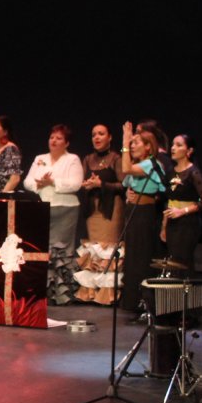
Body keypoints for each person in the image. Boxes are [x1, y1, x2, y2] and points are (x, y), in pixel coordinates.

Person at [23, 124, 84, 305]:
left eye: (58, 138)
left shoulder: (72, 159)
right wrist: (38, 184)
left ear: (66, 143)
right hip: (43, 206)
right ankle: (44, 291)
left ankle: (62, 294)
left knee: (61, 251)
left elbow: (76, 183)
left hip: (65, 209)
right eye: (52, 137)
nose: (54, 141)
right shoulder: (40, 158)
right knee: (42, 249)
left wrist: (53, 181)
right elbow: (27, 181)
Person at [75, 123, 125, 305]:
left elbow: (124, 185)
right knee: (94, 249)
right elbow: (79, 181)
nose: (96, 137)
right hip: (92, 209)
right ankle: (91, 292)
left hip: (111, 209)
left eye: (101, 134)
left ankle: (108, 294)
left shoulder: (116, 158)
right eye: (94, 134)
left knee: (107, 248)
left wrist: (101, 185)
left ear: (109, 137)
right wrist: (85, 184)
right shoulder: (88, 159)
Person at [118, 123, 165, 315]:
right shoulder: (140, 165)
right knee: (131, 258)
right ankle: (130, 300)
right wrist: (129, 193)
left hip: (145, 216)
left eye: (136, 143)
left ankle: (142, 302)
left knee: (141, 258)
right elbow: (126, 180)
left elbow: (126, 167)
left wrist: (124, 139)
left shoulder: (152, 163)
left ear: (148, 146)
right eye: (131, 143)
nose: (132, 146)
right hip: (133, 213)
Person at [162, 134, 202, 277]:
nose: (173, 148)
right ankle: (174, 295)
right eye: (172, 144)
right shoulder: (170, 171)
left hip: (188, 223)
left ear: (189, 151)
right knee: (173, 260)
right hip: (172, 222)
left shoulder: (193, 172)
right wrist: (164, 226)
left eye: (178, 145)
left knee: (183, 261)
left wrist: (183, 211)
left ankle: (185, 296)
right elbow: (169, 200)